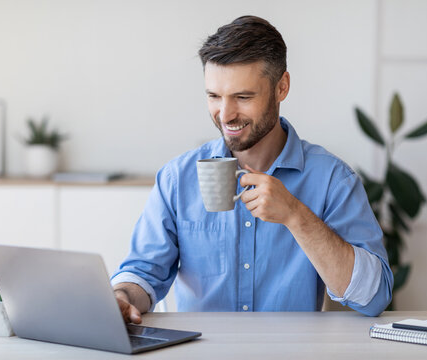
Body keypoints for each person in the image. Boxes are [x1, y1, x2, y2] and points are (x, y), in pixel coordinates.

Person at [111, 15, 393, 324]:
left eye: (243, 97)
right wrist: (122, 298)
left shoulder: (332, 180)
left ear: (281, 87)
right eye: (214, 96)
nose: (226, 114)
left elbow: (374, 297)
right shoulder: (177, 178)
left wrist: (296, 215)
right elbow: (143, 273)